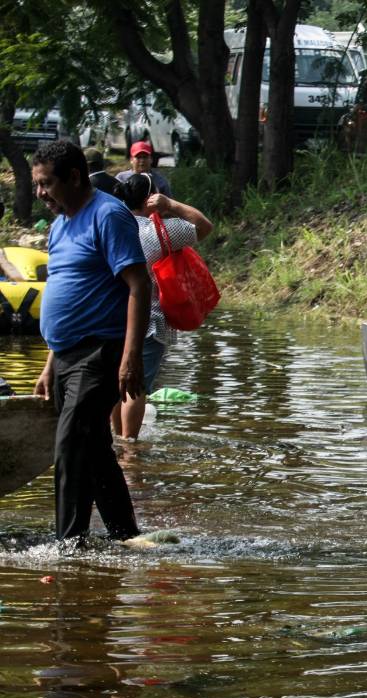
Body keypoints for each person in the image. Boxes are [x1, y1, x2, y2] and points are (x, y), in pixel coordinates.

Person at [30, 140, 150, 545]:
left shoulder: (108, 215)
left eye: (46, 184)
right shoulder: (60, 224)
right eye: (37, 185)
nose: (40, 193)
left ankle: (68, 544)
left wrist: (132, 356)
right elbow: (65, 291)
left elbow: (138, 284)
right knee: (94, 448)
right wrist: (51, 363)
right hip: (67, 356)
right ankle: (124, 535)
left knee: (69, 446)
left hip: (101, 352)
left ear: (75, 177)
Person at [110, 172, 213, 440]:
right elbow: (204, 226)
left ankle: (117, 441)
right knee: (136, 387)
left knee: (115, 385)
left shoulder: (111, 227)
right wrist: (171, 205)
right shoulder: (159, 231)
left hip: (113, 320)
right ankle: (130, 449)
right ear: (150, 199)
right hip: (149, 321)